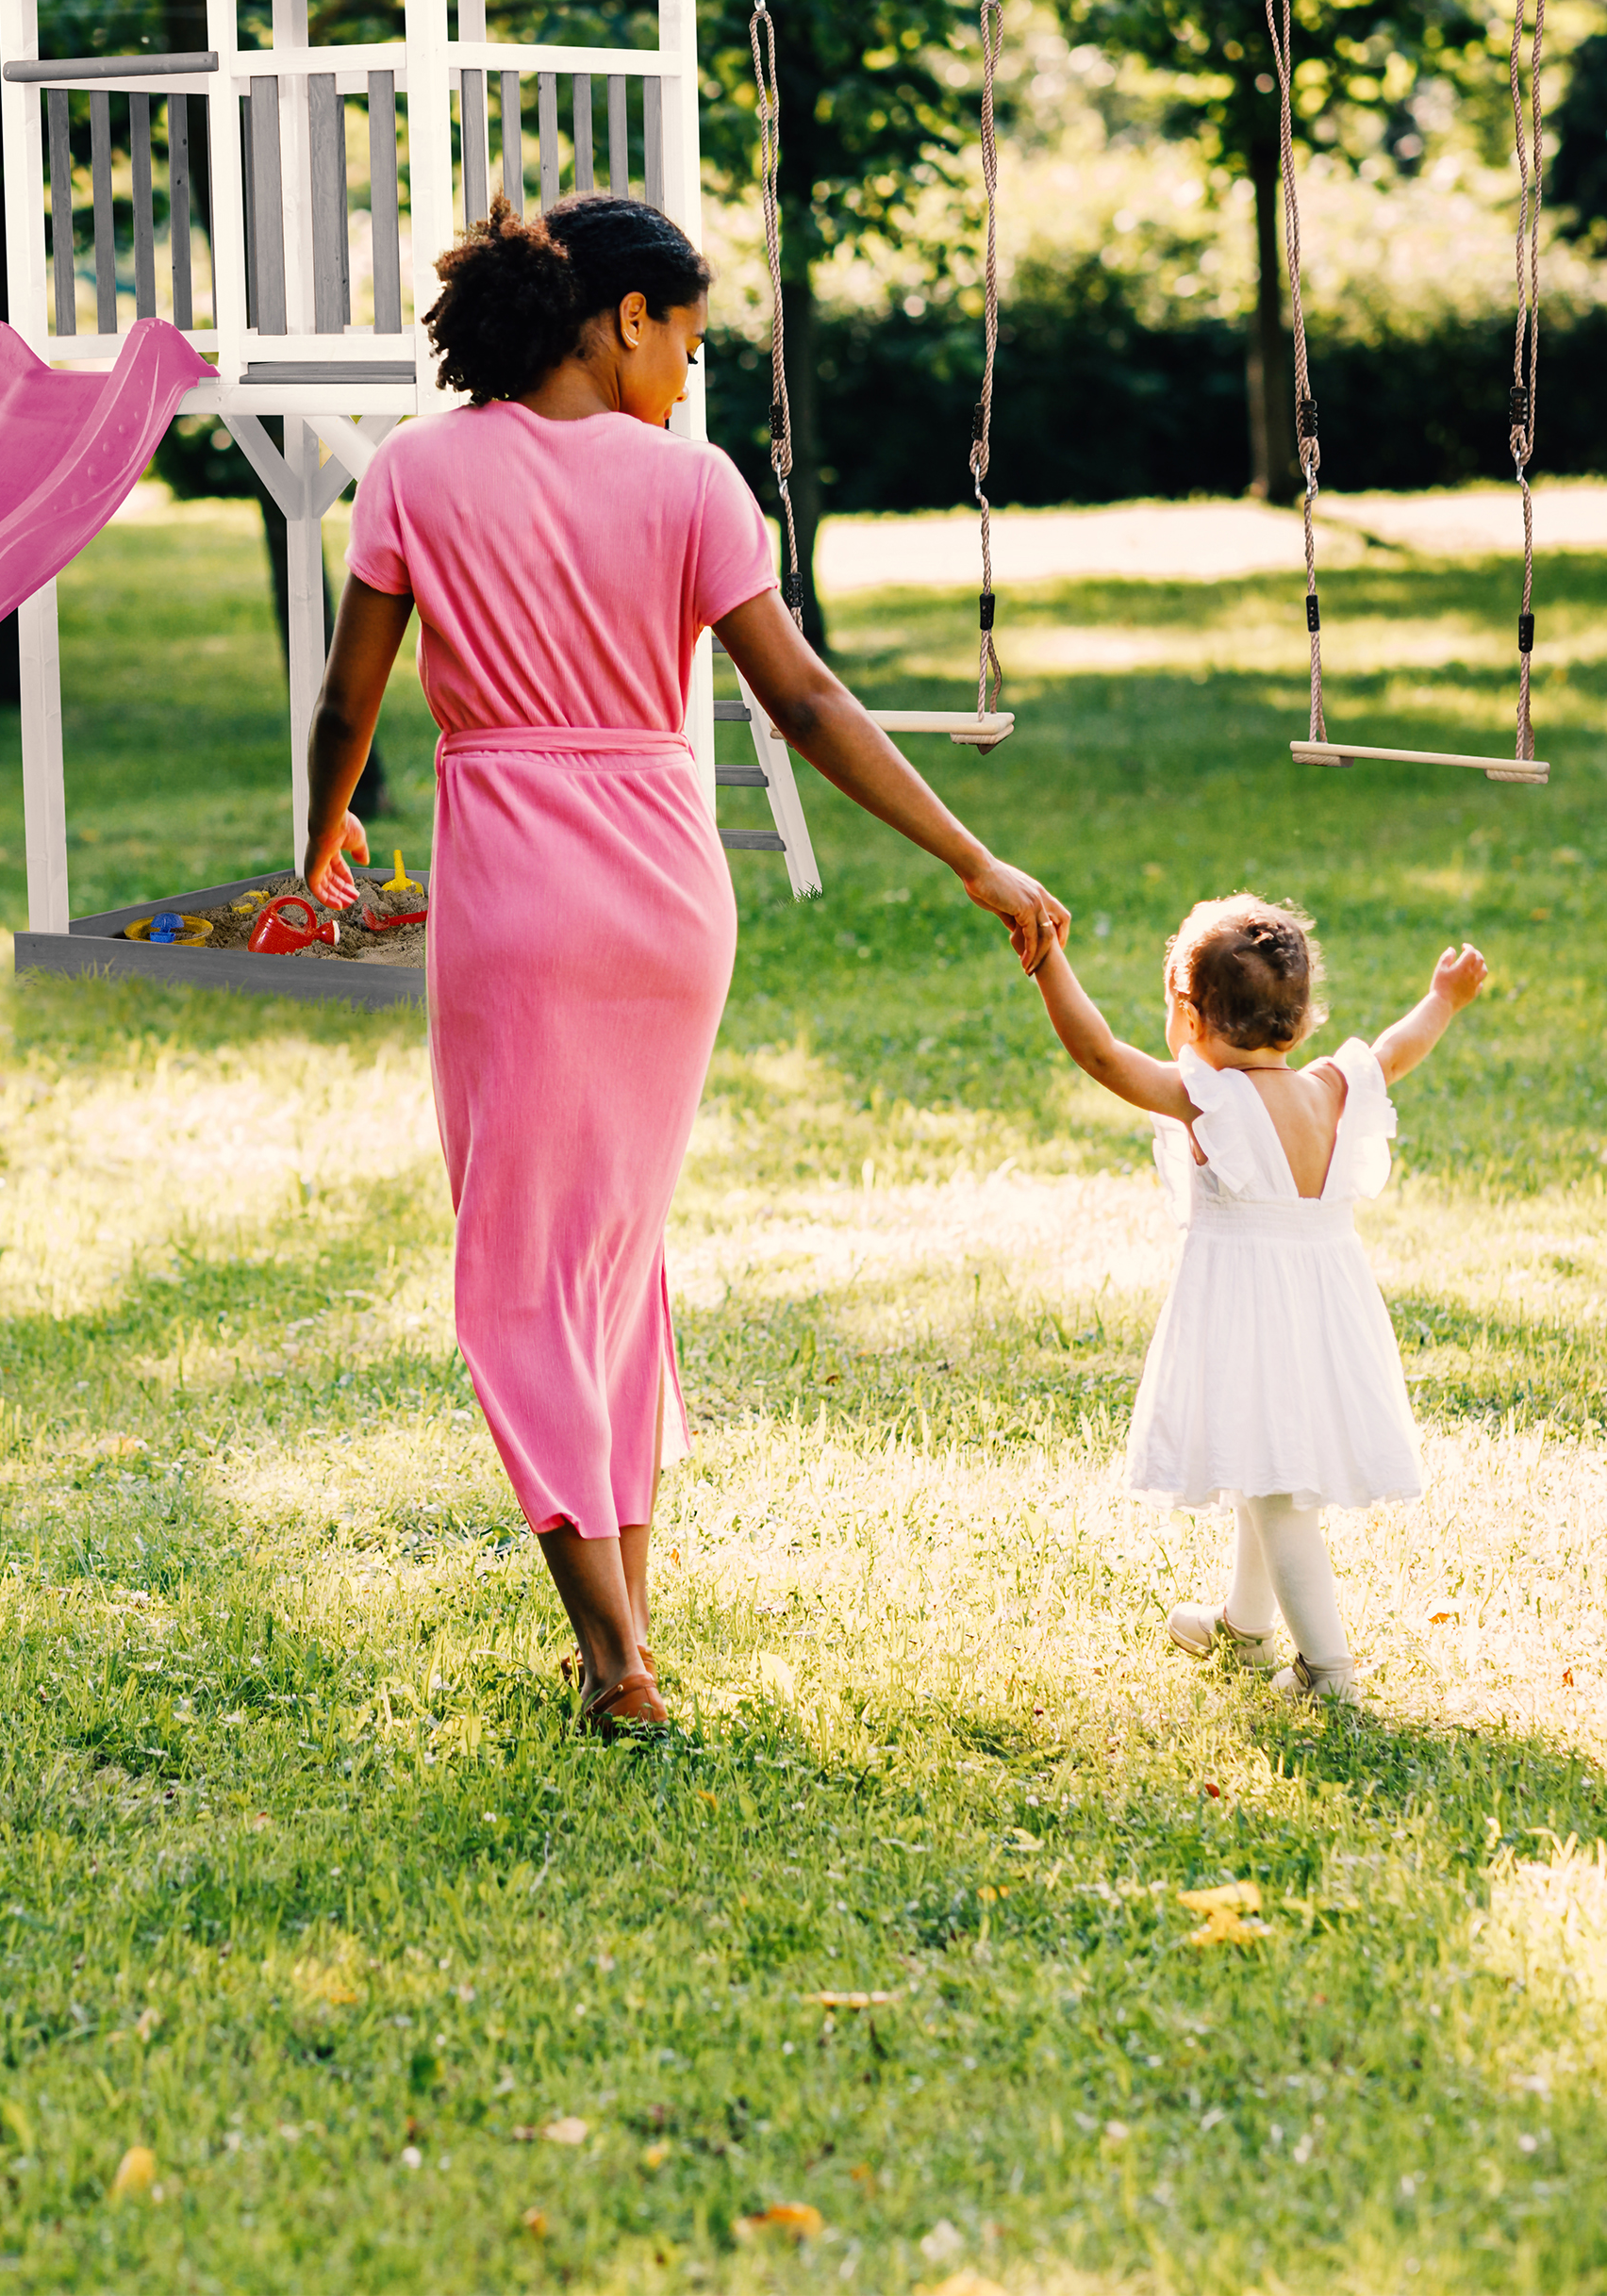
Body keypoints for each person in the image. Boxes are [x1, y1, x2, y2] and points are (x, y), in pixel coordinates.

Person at [303, 194, 1069, 1733]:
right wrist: (970, 855)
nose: (690, 375)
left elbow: (349, 700)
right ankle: (628, 1626)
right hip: (665, 894)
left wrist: (317, 838)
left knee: (521, 1271)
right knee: (611, 1261)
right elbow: (804, 703)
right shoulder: (694, 486)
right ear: (623, 317)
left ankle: (613, 1657)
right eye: (689, 341)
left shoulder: (414, 471)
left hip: (516, 893)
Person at [1024, 894, 1488, 1703]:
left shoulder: (1210, 1101)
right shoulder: (1332, 1088)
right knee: (1259, 1461)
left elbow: (1099, 1054)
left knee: (1276, 1493)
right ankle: (1244, 1628)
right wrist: (1442, 999)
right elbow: (1396, 1048)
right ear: (1302, 1021)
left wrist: (1047, 959)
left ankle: (1327, 1670)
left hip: (1251, 1315)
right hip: (1324, 1311)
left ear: (1189, 1016)